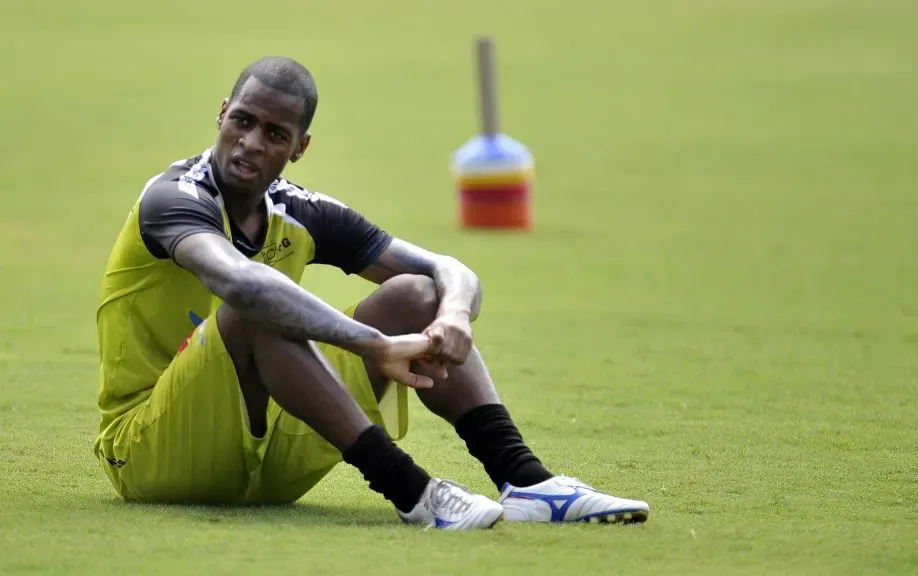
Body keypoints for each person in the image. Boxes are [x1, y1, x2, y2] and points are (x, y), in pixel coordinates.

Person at [93, 55, 650, 530]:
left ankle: (527, 482)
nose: (250, 143)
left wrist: (453, 313)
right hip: (150, 452)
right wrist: (371, 345)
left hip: (268, 467)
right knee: (259, 304)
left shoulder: (297, 209)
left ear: (300, 146)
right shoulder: (173, 199)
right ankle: (416, 494)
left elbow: (447, 268)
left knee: (415, 294)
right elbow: (240, 282)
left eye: (275, 134)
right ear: (221, 113)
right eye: (242, 120)